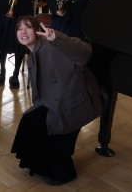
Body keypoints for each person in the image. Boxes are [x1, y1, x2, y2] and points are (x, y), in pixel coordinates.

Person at [12, 16, 101, 186]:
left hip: (74, 101)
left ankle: (64, 172)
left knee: (52, 127)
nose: (23, 32)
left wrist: (56, 38)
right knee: (30, 121)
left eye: (28, 27)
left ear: (37, 30)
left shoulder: (50, 45)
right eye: (19, 28)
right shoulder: (32, 54)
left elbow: (84, 53)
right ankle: (38, 164)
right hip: (54, 100)